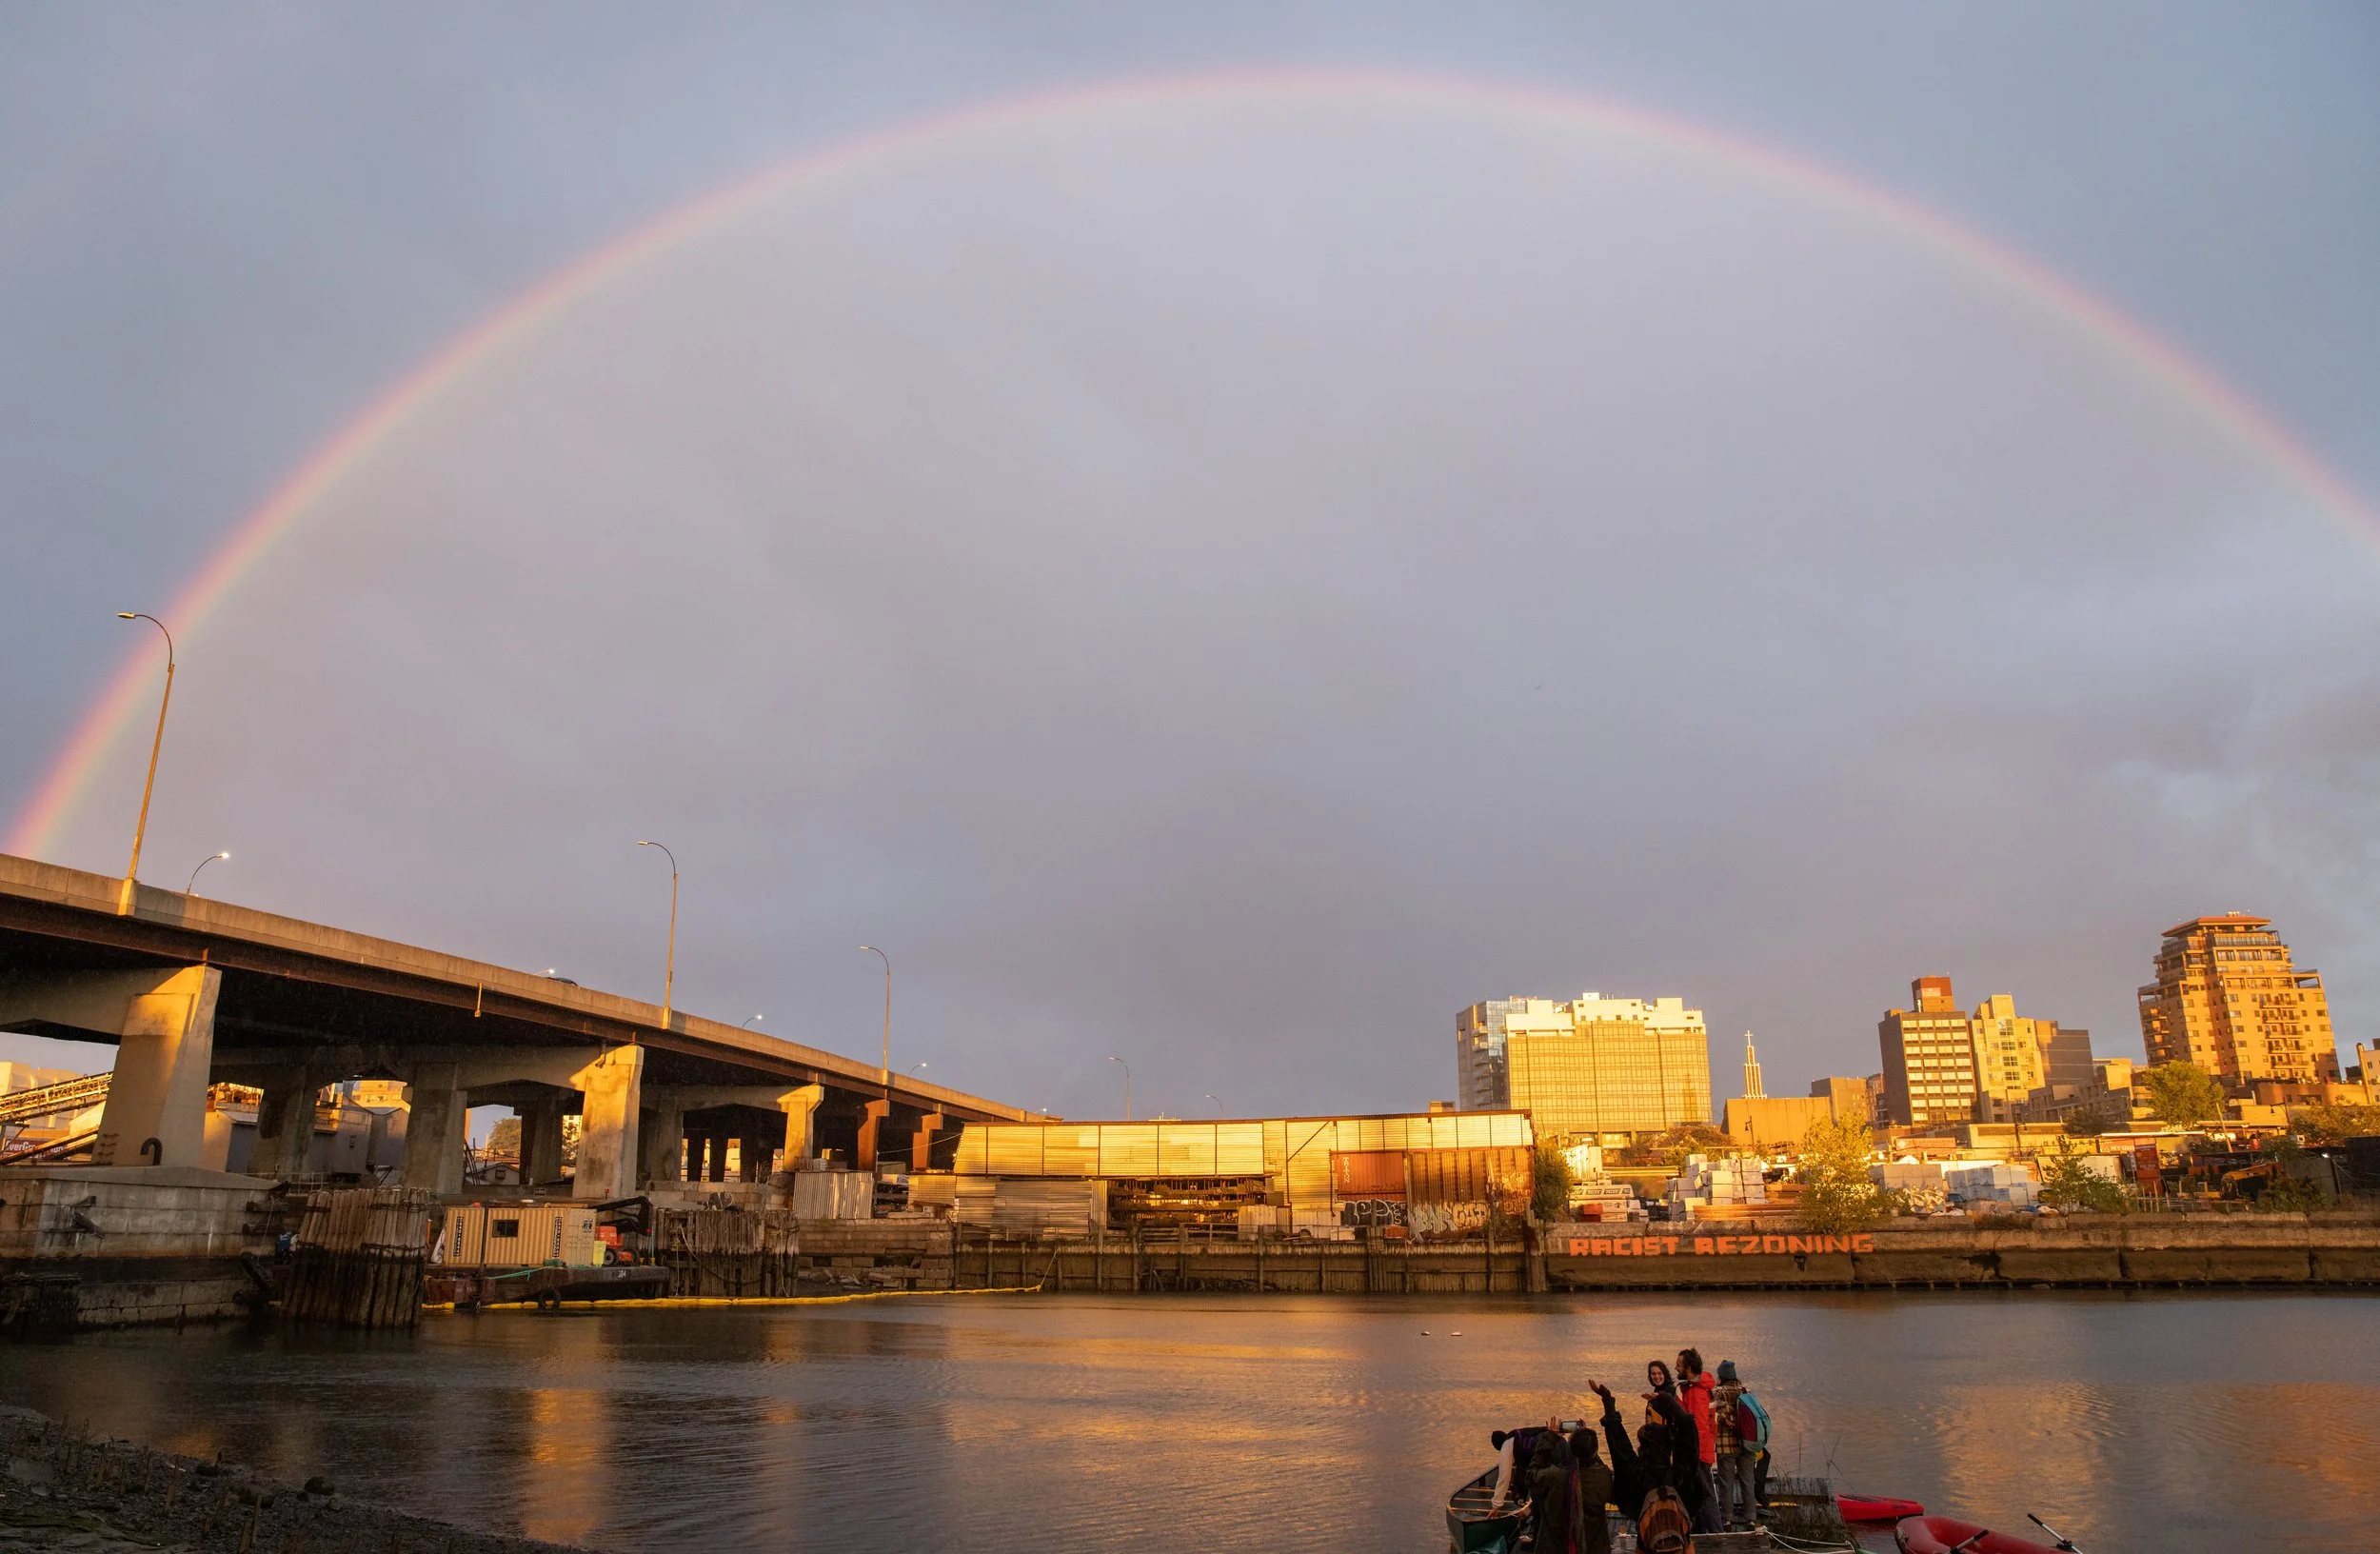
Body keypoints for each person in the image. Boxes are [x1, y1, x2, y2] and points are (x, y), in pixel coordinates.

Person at [1639, 1360, 1706, 1527]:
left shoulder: (1669, 1394)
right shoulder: (1657, 1393)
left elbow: (1678, 1421)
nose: (1656, 1376)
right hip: (1658, 1450)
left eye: (1659, 1373)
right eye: (1653, 1374)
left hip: (1668, 1454)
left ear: (1665, 1374)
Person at [1676, 1347, 1721, 1534]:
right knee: (1699, 1492)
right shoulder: (1694, 1388)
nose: (1676, 1368)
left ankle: (1717, 1534)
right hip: (1698, 1450)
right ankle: (1703, 1530)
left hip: (1699, 1452)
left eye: (1679, 1365)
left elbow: (1699, 1426)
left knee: (1706, 1494)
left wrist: (1695, 1453)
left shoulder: (1696, 1392)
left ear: (1688, 1367)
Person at [1587, 1380, 1645, 1516]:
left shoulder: (1630, 1469)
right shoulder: (1666, 1473)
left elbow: (1618, 1443)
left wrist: (1607, 1400)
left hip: (1632, 1510)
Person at [1711, 1359, 1754, 1531]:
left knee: (1726, 1482)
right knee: (1747, 1481)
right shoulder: (1745, 1391)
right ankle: (1750, 1519)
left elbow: (1713, 1411)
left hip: (1726, 1444)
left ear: (1721, 1375)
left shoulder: (1718, 1391)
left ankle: (1727, 1519)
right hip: (1746, 1443)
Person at [1567, 1422, 1616, 1554]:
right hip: (1597, 1546)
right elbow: (1596, 1463)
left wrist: (1552, 1439)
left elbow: (1534, 1473)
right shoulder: (1602, 1475)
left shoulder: (1562, 1477)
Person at [1526, 1425, 1577, 1554]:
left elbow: (1531, 1475)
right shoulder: (1597, 1475)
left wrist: (1549, 1440)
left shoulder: (1552, 1476)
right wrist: (1581, 1435)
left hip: (1552, 1542)